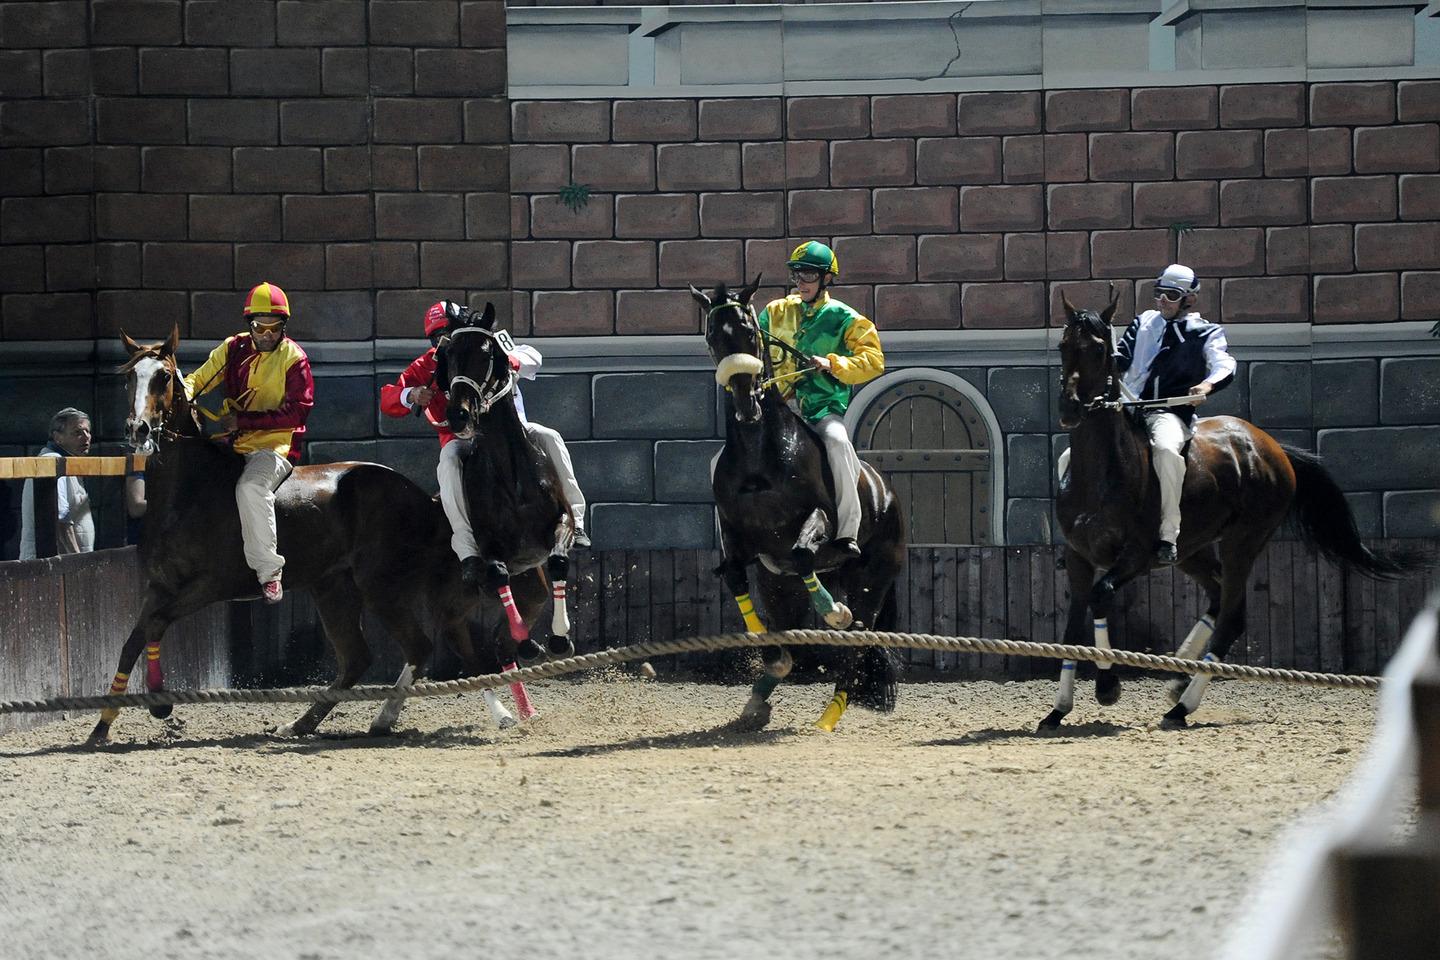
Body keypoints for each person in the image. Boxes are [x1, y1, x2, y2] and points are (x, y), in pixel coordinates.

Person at [379, 300, 590, 585]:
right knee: (449, 460)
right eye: (434, 337)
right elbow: (388, 397)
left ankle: (575, 521)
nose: (440, 341)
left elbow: (533, 356)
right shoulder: (429, 362)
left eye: (445, 332)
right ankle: (467, 550)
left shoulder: (488, 343)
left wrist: (511, 361)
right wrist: (412, 394)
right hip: (462, 440)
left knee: (551, 436)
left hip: (515, 430)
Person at [183, 281, 314, 603]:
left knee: (251, 488)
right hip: (232, 439)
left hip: (275, 445)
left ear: (284, 326)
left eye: (275, 328)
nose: (267, 335)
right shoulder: (231, 348)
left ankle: (269, 573)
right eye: (260, 327)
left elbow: (298, 413)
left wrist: (244, 421)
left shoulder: (294, 358)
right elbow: (197, 380)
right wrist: (180, 396)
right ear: (249, 325)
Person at [757, 240, 885, 556]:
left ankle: (848, 529)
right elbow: (754, 350)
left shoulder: (846, 318)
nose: (801, 282)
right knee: (724, 459)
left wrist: (834, 363)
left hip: (820, 411)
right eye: (797, 275)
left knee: (839, 443)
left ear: (827, 278)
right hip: (776, 410)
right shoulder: (774, 313)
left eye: (809, 275)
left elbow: (874, 362)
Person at [1113, 263, 1236, 565]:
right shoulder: (1143, 322)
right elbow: (1120, 359)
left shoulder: (1205, 332)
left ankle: (1168, 533)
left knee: (1166, 452)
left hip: (1167, 413)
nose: (1162, 301)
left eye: (1171, 295)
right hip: (1127, 409)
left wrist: (1207, 384)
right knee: (1070, 456)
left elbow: (1225, 365)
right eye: (1159, 294)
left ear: (1189, 299)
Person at [19, 407, 95, 559]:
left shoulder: (67, 462)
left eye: (88, 431)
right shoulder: (51, 462)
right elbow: (61, 520)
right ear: (58, 437)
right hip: (54, 565)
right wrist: (78, 562)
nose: (86, 437)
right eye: (77, 432)